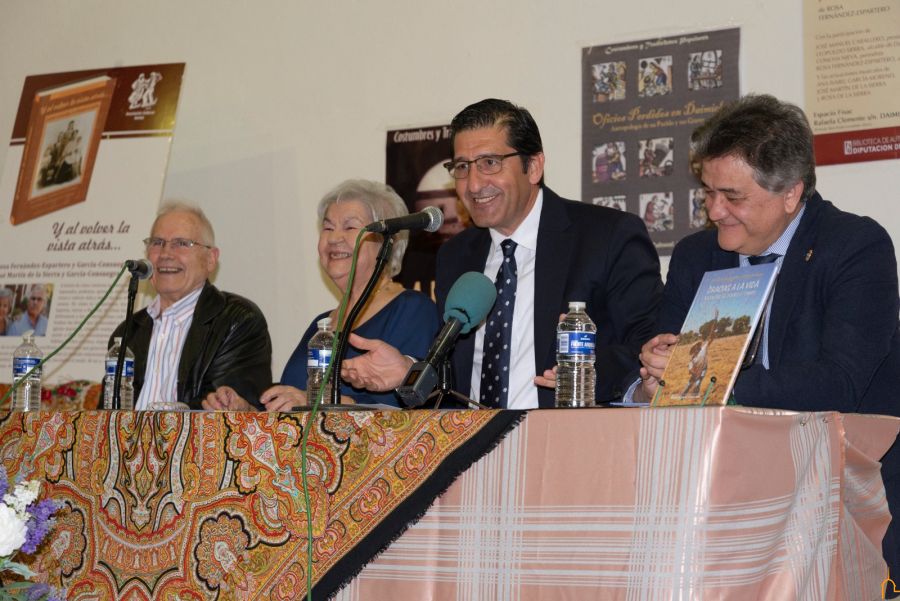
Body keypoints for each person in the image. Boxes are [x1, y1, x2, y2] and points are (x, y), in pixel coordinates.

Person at [633, 94, 900, 582]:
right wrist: (652, 380)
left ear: (791, 194)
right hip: (727, 499)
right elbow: (666, 364)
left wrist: (711, 384)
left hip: (841, 495)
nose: (714, 211)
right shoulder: (696, 257)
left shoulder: (855, 246)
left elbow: (840, 383)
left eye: (732, 197)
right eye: (707, 193)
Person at [341, 98, 663, 408]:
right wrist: (408, 370)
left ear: (533, 166)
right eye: (463, 167)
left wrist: (583, 368)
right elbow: (459, 376)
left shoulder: (606, 237)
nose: (474, 184)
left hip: (566, 442)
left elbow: (648, 349)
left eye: (489, 163)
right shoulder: (456, 255)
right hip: (472, 448)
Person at [203, 180, 440, 412]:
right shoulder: (321, 324)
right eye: (327, 227)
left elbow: (409, 409)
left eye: (350, 227)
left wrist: (317, 402)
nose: (334, 238)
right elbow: (293, 404)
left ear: (387, 243)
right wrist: (247, 411)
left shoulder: (412, 309)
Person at [109, 201, 272, 410]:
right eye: (157, 243)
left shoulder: (238, 320)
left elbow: (219, 410)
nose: (166, 254)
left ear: (211, 259)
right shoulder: (128, 331)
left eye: (182, 243)